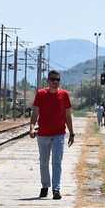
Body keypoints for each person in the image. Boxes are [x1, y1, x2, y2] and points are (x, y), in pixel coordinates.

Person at [30, 69, 75, 200]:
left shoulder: (64, 95)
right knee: (43, 162)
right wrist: (32, 128)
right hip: (43, 134)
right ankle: (45, 186)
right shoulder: (40, 94)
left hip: (59, 134)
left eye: (57, 80)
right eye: (52, 80)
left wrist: (72, 133)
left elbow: (68, 116)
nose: (55, 82)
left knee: (57, 162)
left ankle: (56, 189)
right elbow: (35, 113)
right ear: (48, 81)